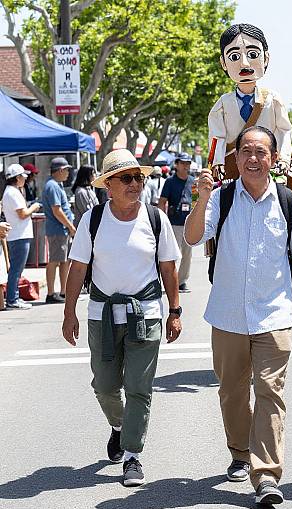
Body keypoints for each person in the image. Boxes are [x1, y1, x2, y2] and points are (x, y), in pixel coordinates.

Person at [184, 126, 292, 506]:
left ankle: (267, 475)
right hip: (227, 314)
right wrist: (201, 198)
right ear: (237, 158)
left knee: (270, 392)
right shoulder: (221, 198)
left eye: (261, 152)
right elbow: (193, 238)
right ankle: (239, 454)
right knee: (231, 392)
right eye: (246, 151)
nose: (253, 158)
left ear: (273, 159)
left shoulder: (289, 202)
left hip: (273, 314)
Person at [62, 148, 182, 487]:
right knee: (104, 386)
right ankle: (119, 425)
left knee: (139, 388)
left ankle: (132, 455)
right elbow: (78, 267)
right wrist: (68, 311)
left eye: (138, 178)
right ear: (108, 185)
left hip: (147, 315)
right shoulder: (93, 219)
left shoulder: (155, 218)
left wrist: (174, 311)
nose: (135, 184)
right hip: (102, 314)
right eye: (126, 178)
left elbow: (168, 268)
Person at [208, 23, 292, 208]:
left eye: (253, 54)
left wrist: (284, 159)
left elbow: (285, 130)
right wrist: (217, 163)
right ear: (223, 62)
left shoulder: (273, 99)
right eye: (234, 56)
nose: (245, 63)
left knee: (288, 205)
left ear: (266, 58)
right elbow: (217, 137)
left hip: (270, 165)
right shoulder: (222, 104)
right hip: (233, 167)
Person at [1, 164, 41, 309]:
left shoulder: (11, 192)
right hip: (19, 236)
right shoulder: (12, 192)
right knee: (16, 269)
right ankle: (12, 299)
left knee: (16, 269)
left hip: (18, 235)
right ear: (17, 178)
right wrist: (35, 207)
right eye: (22, 177)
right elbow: (22, 214)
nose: (24, 180)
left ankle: (13, 297)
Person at [158, 152, 194, 293]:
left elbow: (197, 200)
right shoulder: (170, 182)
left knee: (187, 254)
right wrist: (161, 221)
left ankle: (182, 281)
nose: (186, 166)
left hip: (189, 223)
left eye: (188, 163)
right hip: (173, 223)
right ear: (177, 164)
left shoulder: (193, 181)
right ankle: (170, 280)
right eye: (183, 163)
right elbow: (162, 202)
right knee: (172, 253)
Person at [41, 157, 76, 303]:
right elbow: (57, 210)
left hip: (61, 230)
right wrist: (70, 226)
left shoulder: (56, 185)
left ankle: (62, 291)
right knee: (55, 261)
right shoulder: (52, 186)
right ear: (60, 170)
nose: (68, 173)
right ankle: (50, 293)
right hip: (57, 229)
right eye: (67, 170)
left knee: (63, 261)